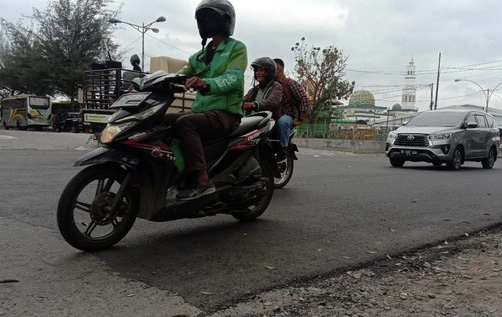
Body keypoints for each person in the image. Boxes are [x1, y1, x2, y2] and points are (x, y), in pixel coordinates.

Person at [164, 0, 247, 201]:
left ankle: (202, 181)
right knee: (162, 121)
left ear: (224, 21)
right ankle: (178, 174)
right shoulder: (199, 56)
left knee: (185, 122)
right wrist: (153, 82)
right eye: (203, 19)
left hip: (226, 114)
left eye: (211, 18)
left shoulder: (237, 48)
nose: (207, 22)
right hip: (203, 112)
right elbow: (182, 74)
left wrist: (205, 83)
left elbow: (233, 78)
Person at [273, 58, 311, 161]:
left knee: (282, 122)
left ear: (278, 69)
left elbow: (304, 99)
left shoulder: (289, 83)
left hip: (287, 115)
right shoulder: (270, 85)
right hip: (272, 116)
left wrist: (300, 119)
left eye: (271, 68)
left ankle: (283, 149)